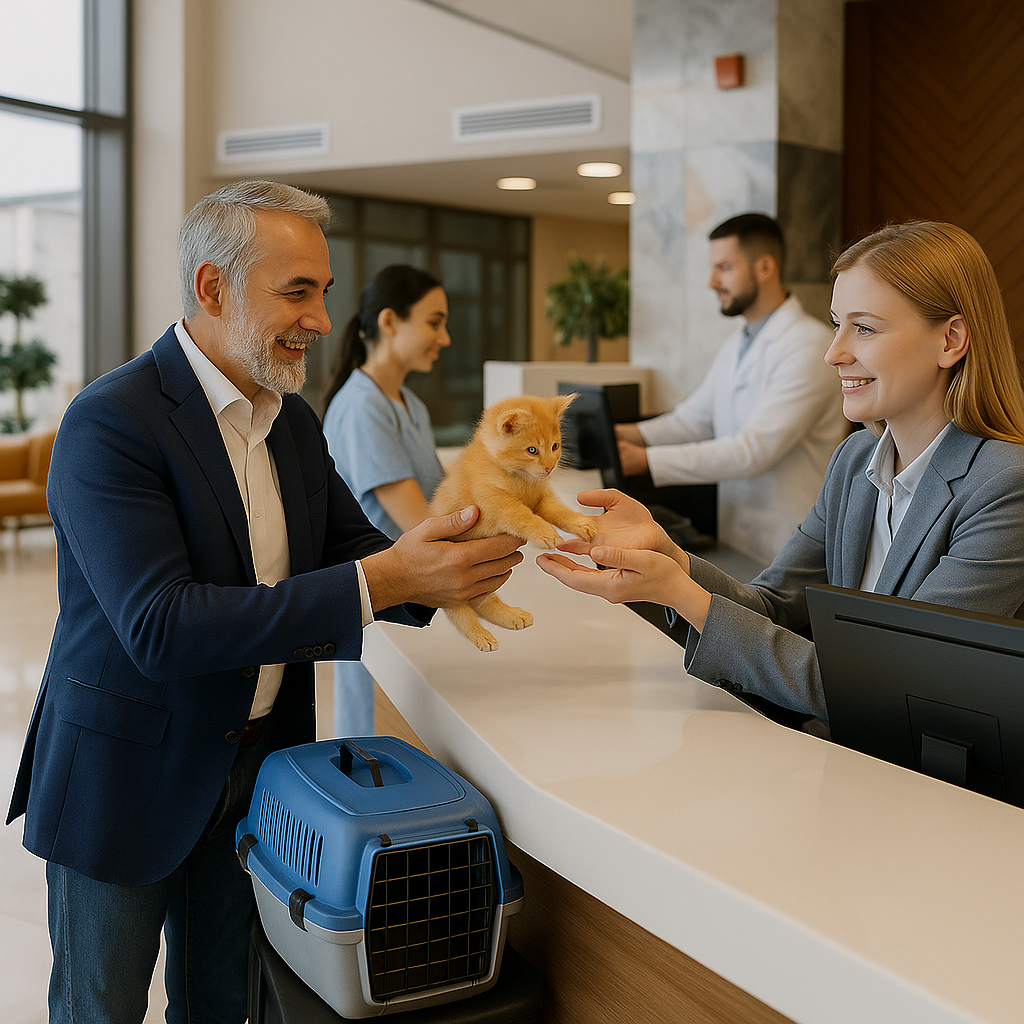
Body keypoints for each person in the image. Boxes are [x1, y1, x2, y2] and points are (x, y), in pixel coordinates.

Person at [5, 180, 524, 1024]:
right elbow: (162, 626)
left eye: (321, 291)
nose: (322, 319)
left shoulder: (292, 421)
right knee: (98, 1009)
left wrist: (464, 544)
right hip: (125, 775)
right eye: (298, 292)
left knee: (221, 1002)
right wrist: (386, 581)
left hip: (258, 770)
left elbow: (357, 553)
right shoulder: (109, 423)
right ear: (212, 288)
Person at [538, 221, 1024, 725]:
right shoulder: (855, 461)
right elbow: (773, 610)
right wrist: (665, 557)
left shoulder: (1004, 485)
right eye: (837, 324)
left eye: (864, 327)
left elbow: (893, 687)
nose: (834, 353)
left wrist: (680, 592)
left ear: (951, 340)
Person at [615, 212, 848, 564]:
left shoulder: (809, 345)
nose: (711, 281)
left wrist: (644, 460)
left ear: (764, 267)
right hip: (739, 537)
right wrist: (623, 433)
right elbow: (692, 420)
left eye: (724, 267)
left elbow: (754, 451)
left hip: (791, 543)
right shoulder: (737, 342)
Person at [321, 265, 449, 736]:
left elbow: (444, 499)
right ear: (391, 321)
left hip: (416, 605)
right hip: (384, 609)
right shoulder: (361, 406)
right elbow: (423, 523)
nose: (446, 337)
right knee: (377, 757)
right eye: (435, 322)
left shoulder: (410, 404)